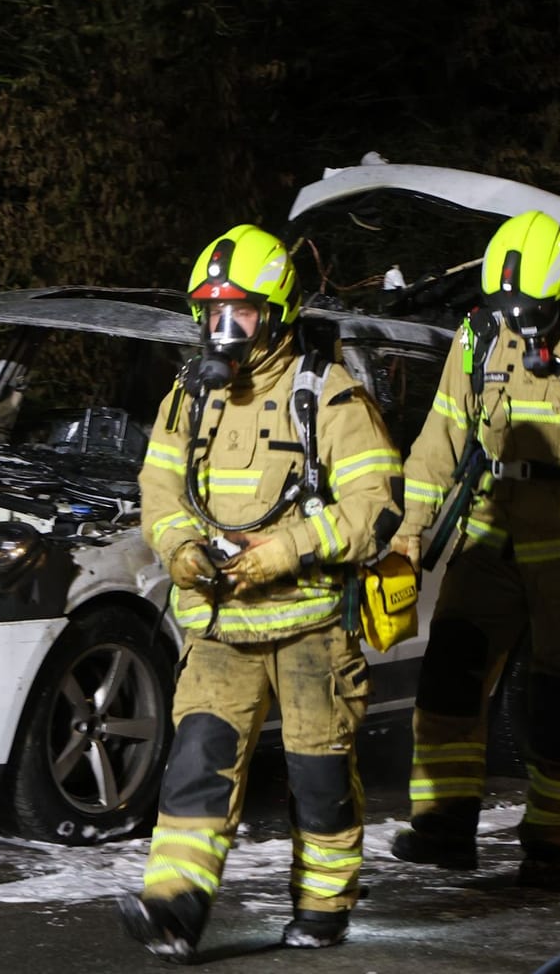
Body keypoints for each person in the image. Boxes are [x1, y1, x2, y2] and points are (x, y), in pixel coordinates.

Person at [119, 224, 404, 960]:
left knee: (320, 779)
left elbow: (375, 507)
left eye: (237, 314)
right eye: (209, 314)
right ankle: (173, 910)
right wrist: (179, 547)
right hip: (220, 627)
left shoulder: (328, 396)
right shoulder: (189, 397)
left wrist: (285, 550)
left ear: (274, 314)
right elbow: (159, 484)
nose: (221, 330)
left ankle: (323, 904)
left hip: (309, 630)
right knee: (196, 768)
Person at [387, 210, 560, 884]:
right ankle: (447, 825)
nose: (520, 323)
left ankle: (548, 841)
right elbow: (439, 442)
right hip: (491, 535)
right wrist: (405, 533)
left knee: (554, 708)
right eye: (508, 309)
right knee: (449, 676)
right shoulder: (480, 336)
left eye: (532, 311)